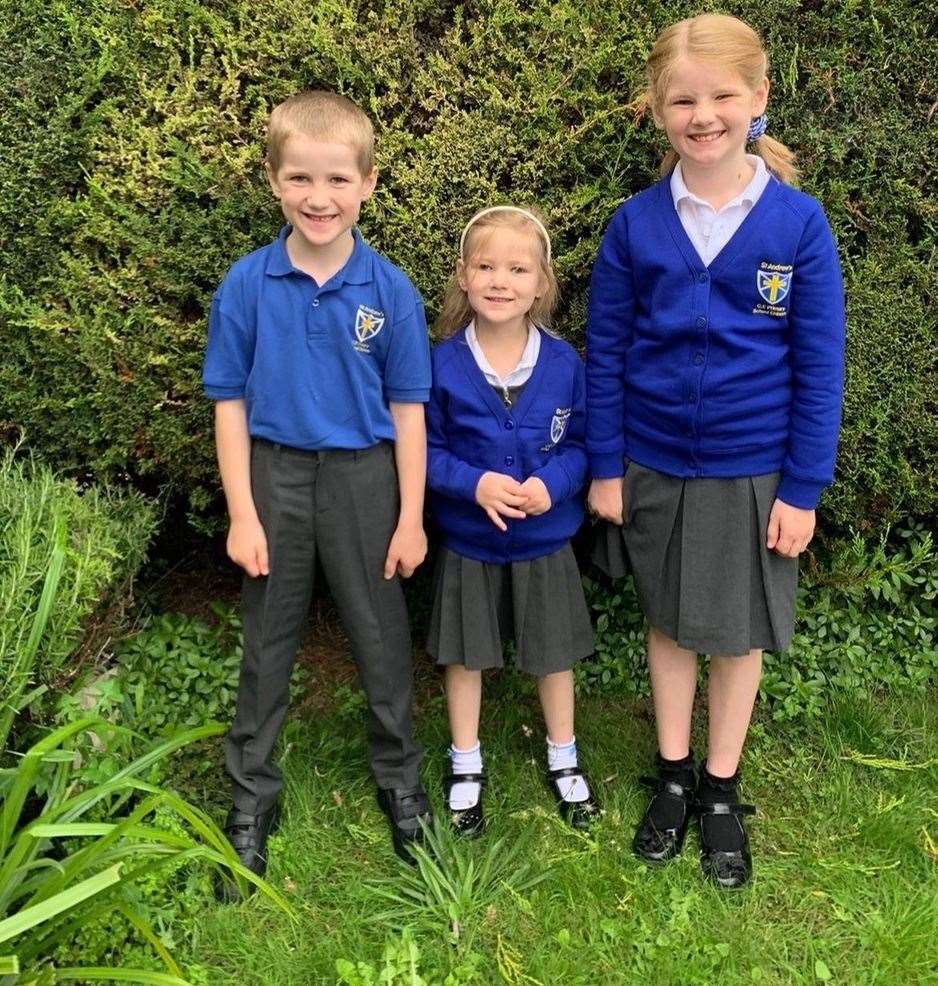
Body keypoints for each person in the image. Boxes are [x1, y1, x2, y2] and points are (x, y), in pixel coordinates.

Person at [586, 14, 845, 888]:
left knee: (736, 636)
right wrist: (605, 466)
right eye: (683, 99)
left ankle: (723, 790)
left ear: (759, 98)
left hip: (754, 470)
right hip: (653, 462)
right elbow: (608, 351)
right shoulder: (633, 225)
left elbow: (819, 366)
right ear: (658, 109)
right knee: (668, 621)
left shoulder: (798, 227)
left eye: (722, 95)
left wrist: (803, 488)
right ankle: (672, 776)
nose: (703, 115)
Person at [202, 90, 433, 889]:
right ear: (272, 180)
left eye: (337, 180)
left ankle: (401, 781)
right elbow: (228, 404)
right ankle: (251, 799)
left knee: (380, 636)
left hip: (367, 479)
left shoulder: (390, 291)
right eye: (300, 177)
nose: (318, 197)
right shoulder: (246, 284)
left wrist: (411, 519)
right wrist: (241, 512)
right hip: (275, 477)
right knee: (267, 643)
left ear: (368, 184)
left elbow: (409, 413)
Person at [426, 205, 601, 836]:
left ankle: (563, 755)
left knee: (553, 653)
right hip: (470, 541)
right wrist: (474, 484)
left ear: (542, 283)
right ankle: (466, 761)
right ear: (464, 277)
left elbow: (583, 446)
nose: (500, 280)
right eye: (486, 266)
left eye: (517, 268)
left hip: (545, 540)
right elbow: (425, 452)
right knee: (466, 655)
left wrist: (549, 488)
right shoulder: (441, 364)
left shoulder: (565, 365)